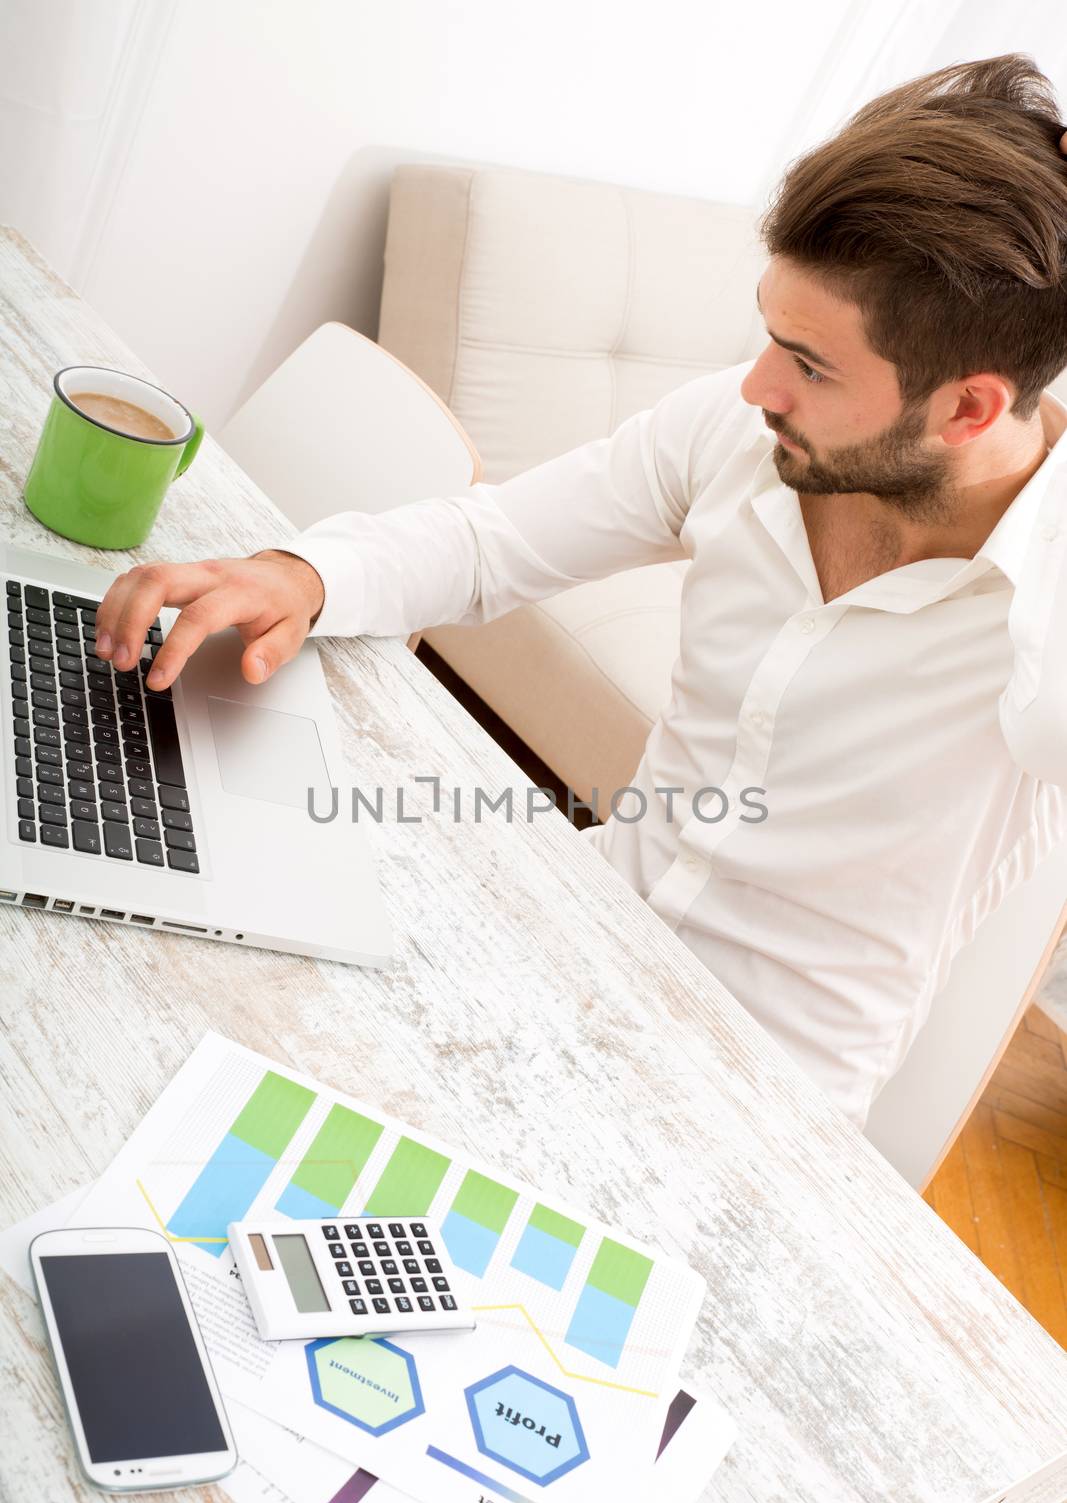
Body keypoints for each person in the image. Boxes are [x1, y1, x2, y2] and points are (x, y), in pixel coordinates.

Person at [94, 56, 1067, 1129]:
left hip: (743, 1102)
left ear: (968, 410)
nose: (756, 386)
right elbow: (493, 540)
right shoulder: (739, 433)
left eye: (808, 364)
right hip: (562, 925)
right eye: (767, 333)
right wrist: (302, 574)